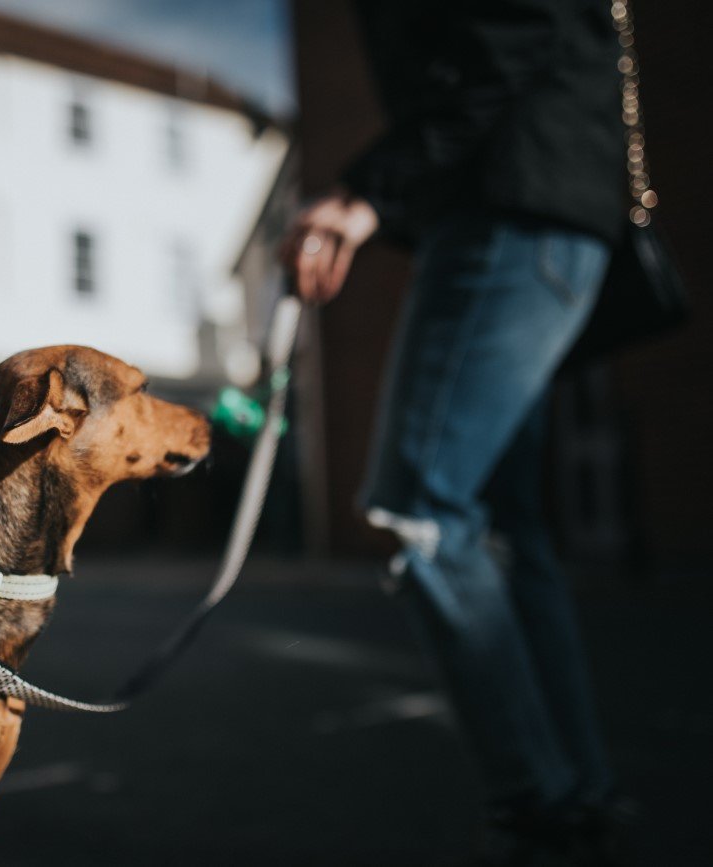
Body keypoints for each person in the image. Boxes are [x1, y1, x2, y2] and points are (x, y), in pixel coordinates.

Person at [279, 2, 630, 864]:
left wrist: (367, 192)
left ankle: (538, 804)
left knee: (422, 510)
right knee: (505, 529)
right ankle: (576, 794)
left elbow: (513, 38)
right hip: (540, 211)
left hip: (509, 217)